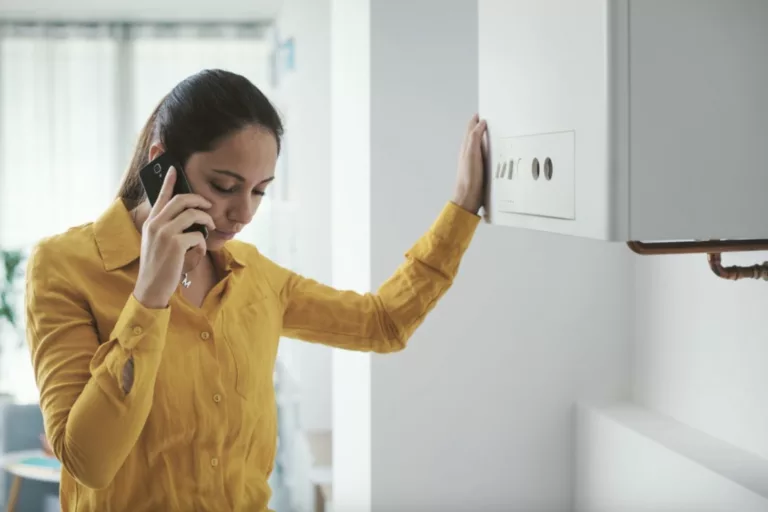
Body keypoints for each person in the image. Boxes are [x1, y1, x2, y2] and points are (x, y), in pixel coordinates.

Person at [24, 69, 486, 511]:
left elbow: (383, 323)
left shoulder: (256, 276)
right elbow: (89, 462)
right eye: (224, 186)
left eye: (260, 191)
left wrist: (463, 206)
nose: (243, 214)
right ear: (160, 161)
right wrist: (150, 297)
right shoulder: (64, 267)